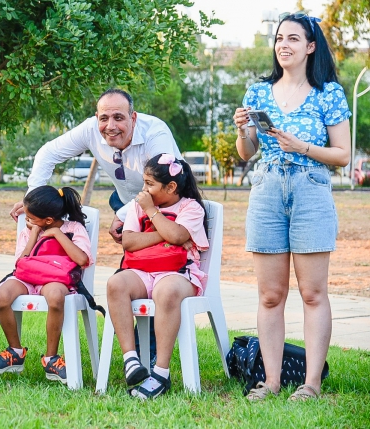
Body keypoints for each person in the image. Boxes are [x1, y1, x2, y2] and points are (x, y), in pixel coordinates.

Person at [9, 88, 182, 365]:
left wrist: (125, 215)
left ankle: (151, 357)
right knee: (133, 276)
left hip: (168, 210)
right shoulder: (91, 129)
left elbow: (161, 188)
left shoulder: (155, 133)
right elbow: (47, 153)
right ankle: (136, 356)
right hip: (131, 207)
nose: (110, 126)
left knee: (159, 276)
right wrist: (35, 201)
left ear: (133, 118)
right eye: (104, 118)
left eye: (118, 117)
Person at [232, 12, 351, 401]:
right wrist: (242, 131)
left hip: (310, 188)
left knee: (313, 293)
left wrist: (302, 147)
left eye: (293, 39)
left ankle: (311, 383)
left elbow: (343, 154)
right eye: (280, 38)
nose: (284, 44)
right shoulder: (258, 92)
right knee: (270, 295)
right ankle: (271, 381)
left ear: (310, 46)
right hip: (266, 189)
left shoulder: (328, 92)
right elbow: (246, 154)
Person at [106, 153, 209, 400]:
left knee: (167, 291)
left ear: (171, 187)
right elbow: (129, 241)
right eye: (143, 182)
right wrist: (167, 234)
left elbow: (178, 236)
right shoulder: (135, 206)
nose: (144, 190)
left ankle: (160, 373)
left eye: (149, 184)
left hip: (178, 273)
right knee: (115, 283)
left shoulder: (190, 208)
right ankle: (132, 361)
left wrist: (152, 212)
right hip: (142, 271)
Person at [0, 185, 92, 384]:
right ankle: (15, 351)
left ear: (48, 220)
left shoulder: (74, 229)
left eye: (31, 218)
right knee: (1, 297)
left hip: (56, 279)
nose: (27, 220)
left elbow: (81, 259)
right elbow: (20, 262)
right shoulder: (30, 230)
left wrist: (57, 234)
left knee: (55, 297)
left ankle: (51, 358)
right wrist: (35, 232)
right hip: (27, 277)